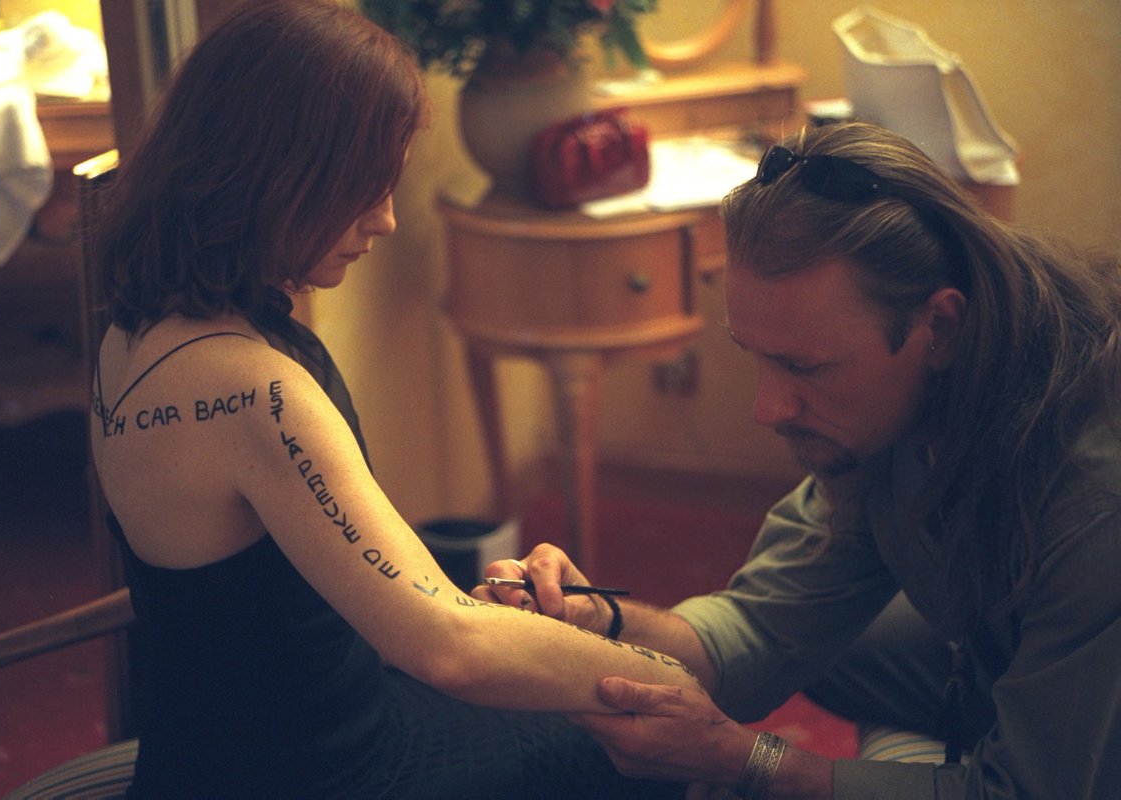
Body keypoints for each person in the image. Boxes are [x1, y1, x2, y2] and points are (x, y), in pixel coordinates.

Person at [88, 1, 703, 797]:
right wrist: (665, 681)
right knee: (641, 754)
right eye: (360, 191)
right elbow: (450, 647)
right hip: (314, 772)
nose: (381, 222)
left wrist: (455, 601)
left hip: (241, 741)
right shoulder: (246, 385)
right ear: (273, 176)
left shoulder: (140, 324)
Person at [477, 121, 1121, 798]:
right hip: (1000, 647)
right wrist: (602, 623)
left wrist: (745, 761)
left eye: (804, 367)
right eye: (755, 356)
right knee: (838, 649)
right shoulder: (899, 401)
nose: (770, 407)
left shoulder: (1094, 496)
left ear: (942, 327)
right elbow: (760, 626)